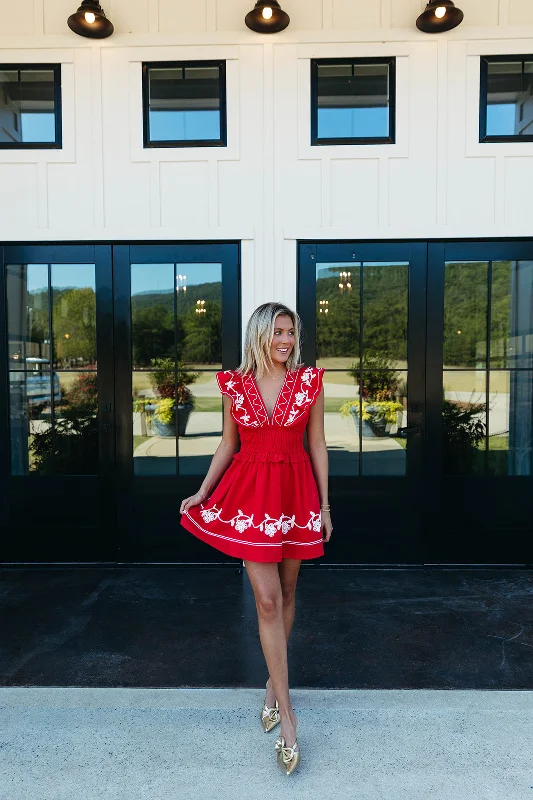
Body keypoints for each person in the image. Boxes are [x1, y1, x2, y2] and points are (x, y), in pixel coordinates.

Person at [180, 302, 332, 776]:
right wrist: (204, 490)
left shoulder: (309, 382)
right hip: (249, 502)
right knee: (267, 600)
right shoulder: (234, 384)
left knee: (287, 594)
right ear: (259, 335)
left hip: (295, 495)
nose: (286, 341)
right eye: (278, 332)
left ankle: (272, 688)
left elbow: (318, 443)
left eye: (291, 332)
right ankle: (288, 718)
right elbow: (229, 442)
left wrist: (325, 507)